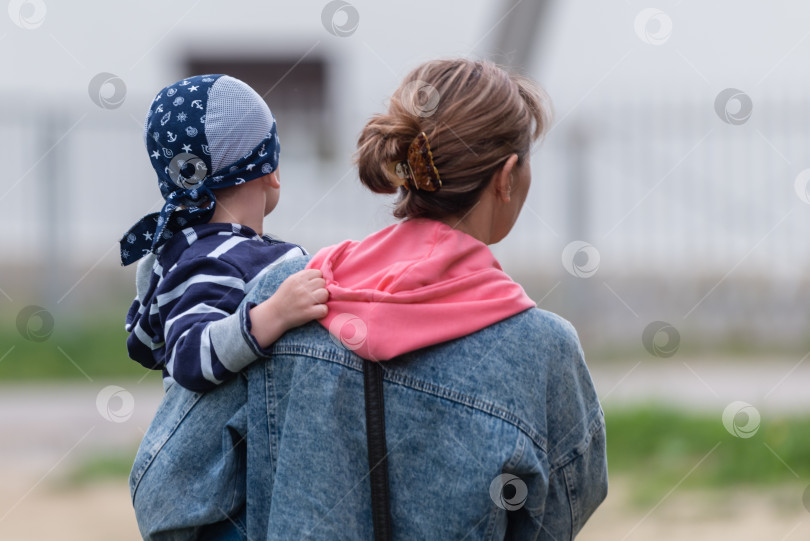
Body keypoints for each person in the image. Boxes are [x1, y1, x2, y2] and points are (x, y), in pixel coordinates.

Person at [130, 58, 607, 540]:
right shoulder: (546, 350)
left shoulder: (289, 297)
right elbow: (558, 515)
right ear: (507, 176)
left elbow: (167, 495)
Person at [122, 74, 328, 540]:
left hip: (218, 487)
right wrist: (272, 316)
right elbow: (191, 354)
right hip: (214, 497)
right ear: (269, 169)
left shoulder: (187, 251)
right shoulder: (213, 259)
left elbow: (147, 339)